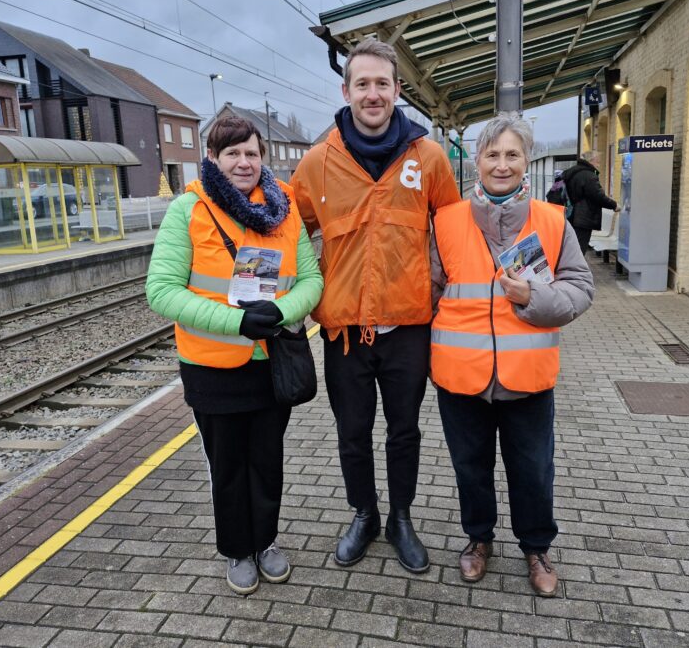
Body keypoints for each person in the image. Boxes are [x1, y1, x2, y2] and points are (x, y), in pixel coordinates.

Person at [291, 38, 461, 573]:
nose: (372, 93)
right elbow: (286, 233)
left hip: (410, 327)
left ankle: (401, 517)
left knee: (405, 430)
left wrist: (447, 293)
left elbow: (454, 234)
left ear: (397, 90)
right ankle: (363, 513)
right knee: (352, 432)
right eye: (361, 84)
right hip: (344, 332)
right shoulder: (318, 163)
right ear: (346, 90)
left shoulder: (428, 157)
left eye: (381, 84)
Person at [146, 116, 322, 596]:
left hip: (272, 365)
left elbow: (311, 279)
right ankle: (237, 550)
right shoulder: (189, 210)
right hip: (212, 368)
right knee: (227, 465)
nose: (243, 162)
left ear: (261, 157)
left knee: (267, 460)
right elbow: (160, 291)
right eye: (232, 154)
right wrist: (237, 321)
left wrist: (282, 309)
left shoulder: (283, 209)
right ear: (214, 159)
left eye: (251, 153)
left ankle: (265, 541)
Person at [430, 112, 594, 596]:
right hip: (461, 378)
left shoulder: (551, 220)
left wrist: (533, 299)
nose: (502, 165)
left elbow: (581, 289)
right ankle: (478, 539)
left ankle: (536, 547)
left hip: (528, 377)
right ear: (477, 160)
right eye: (492, 154)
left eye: (512, 155)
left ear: (527, 162)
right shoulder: (446, 221)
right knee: (470, 467)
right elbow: (428, 293)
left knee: (533, 469)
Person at [563, 151, 618, 253]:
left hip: (569, 215)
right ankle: (576, 268)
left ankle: (571, 267)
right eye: (598, 161)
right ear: (591, 161)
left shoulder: (570, 172)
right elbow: (598, 196)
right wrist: (614, 205)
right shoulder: (589, 175)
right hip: (583, 218)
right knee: (579, 250)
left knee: (571, 247)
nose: (599, 164)